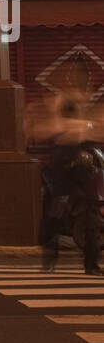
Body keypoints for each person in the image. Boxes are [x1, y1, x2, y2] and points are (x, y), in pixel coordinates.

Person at [39, 94, 103, 275]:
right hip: (78, 182)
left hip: (66, 182)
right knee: (89, 222)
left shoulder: (63, 127)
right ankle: (90, 265)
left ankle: (50, 263)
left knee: (55, 220)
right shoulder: (81, 127)